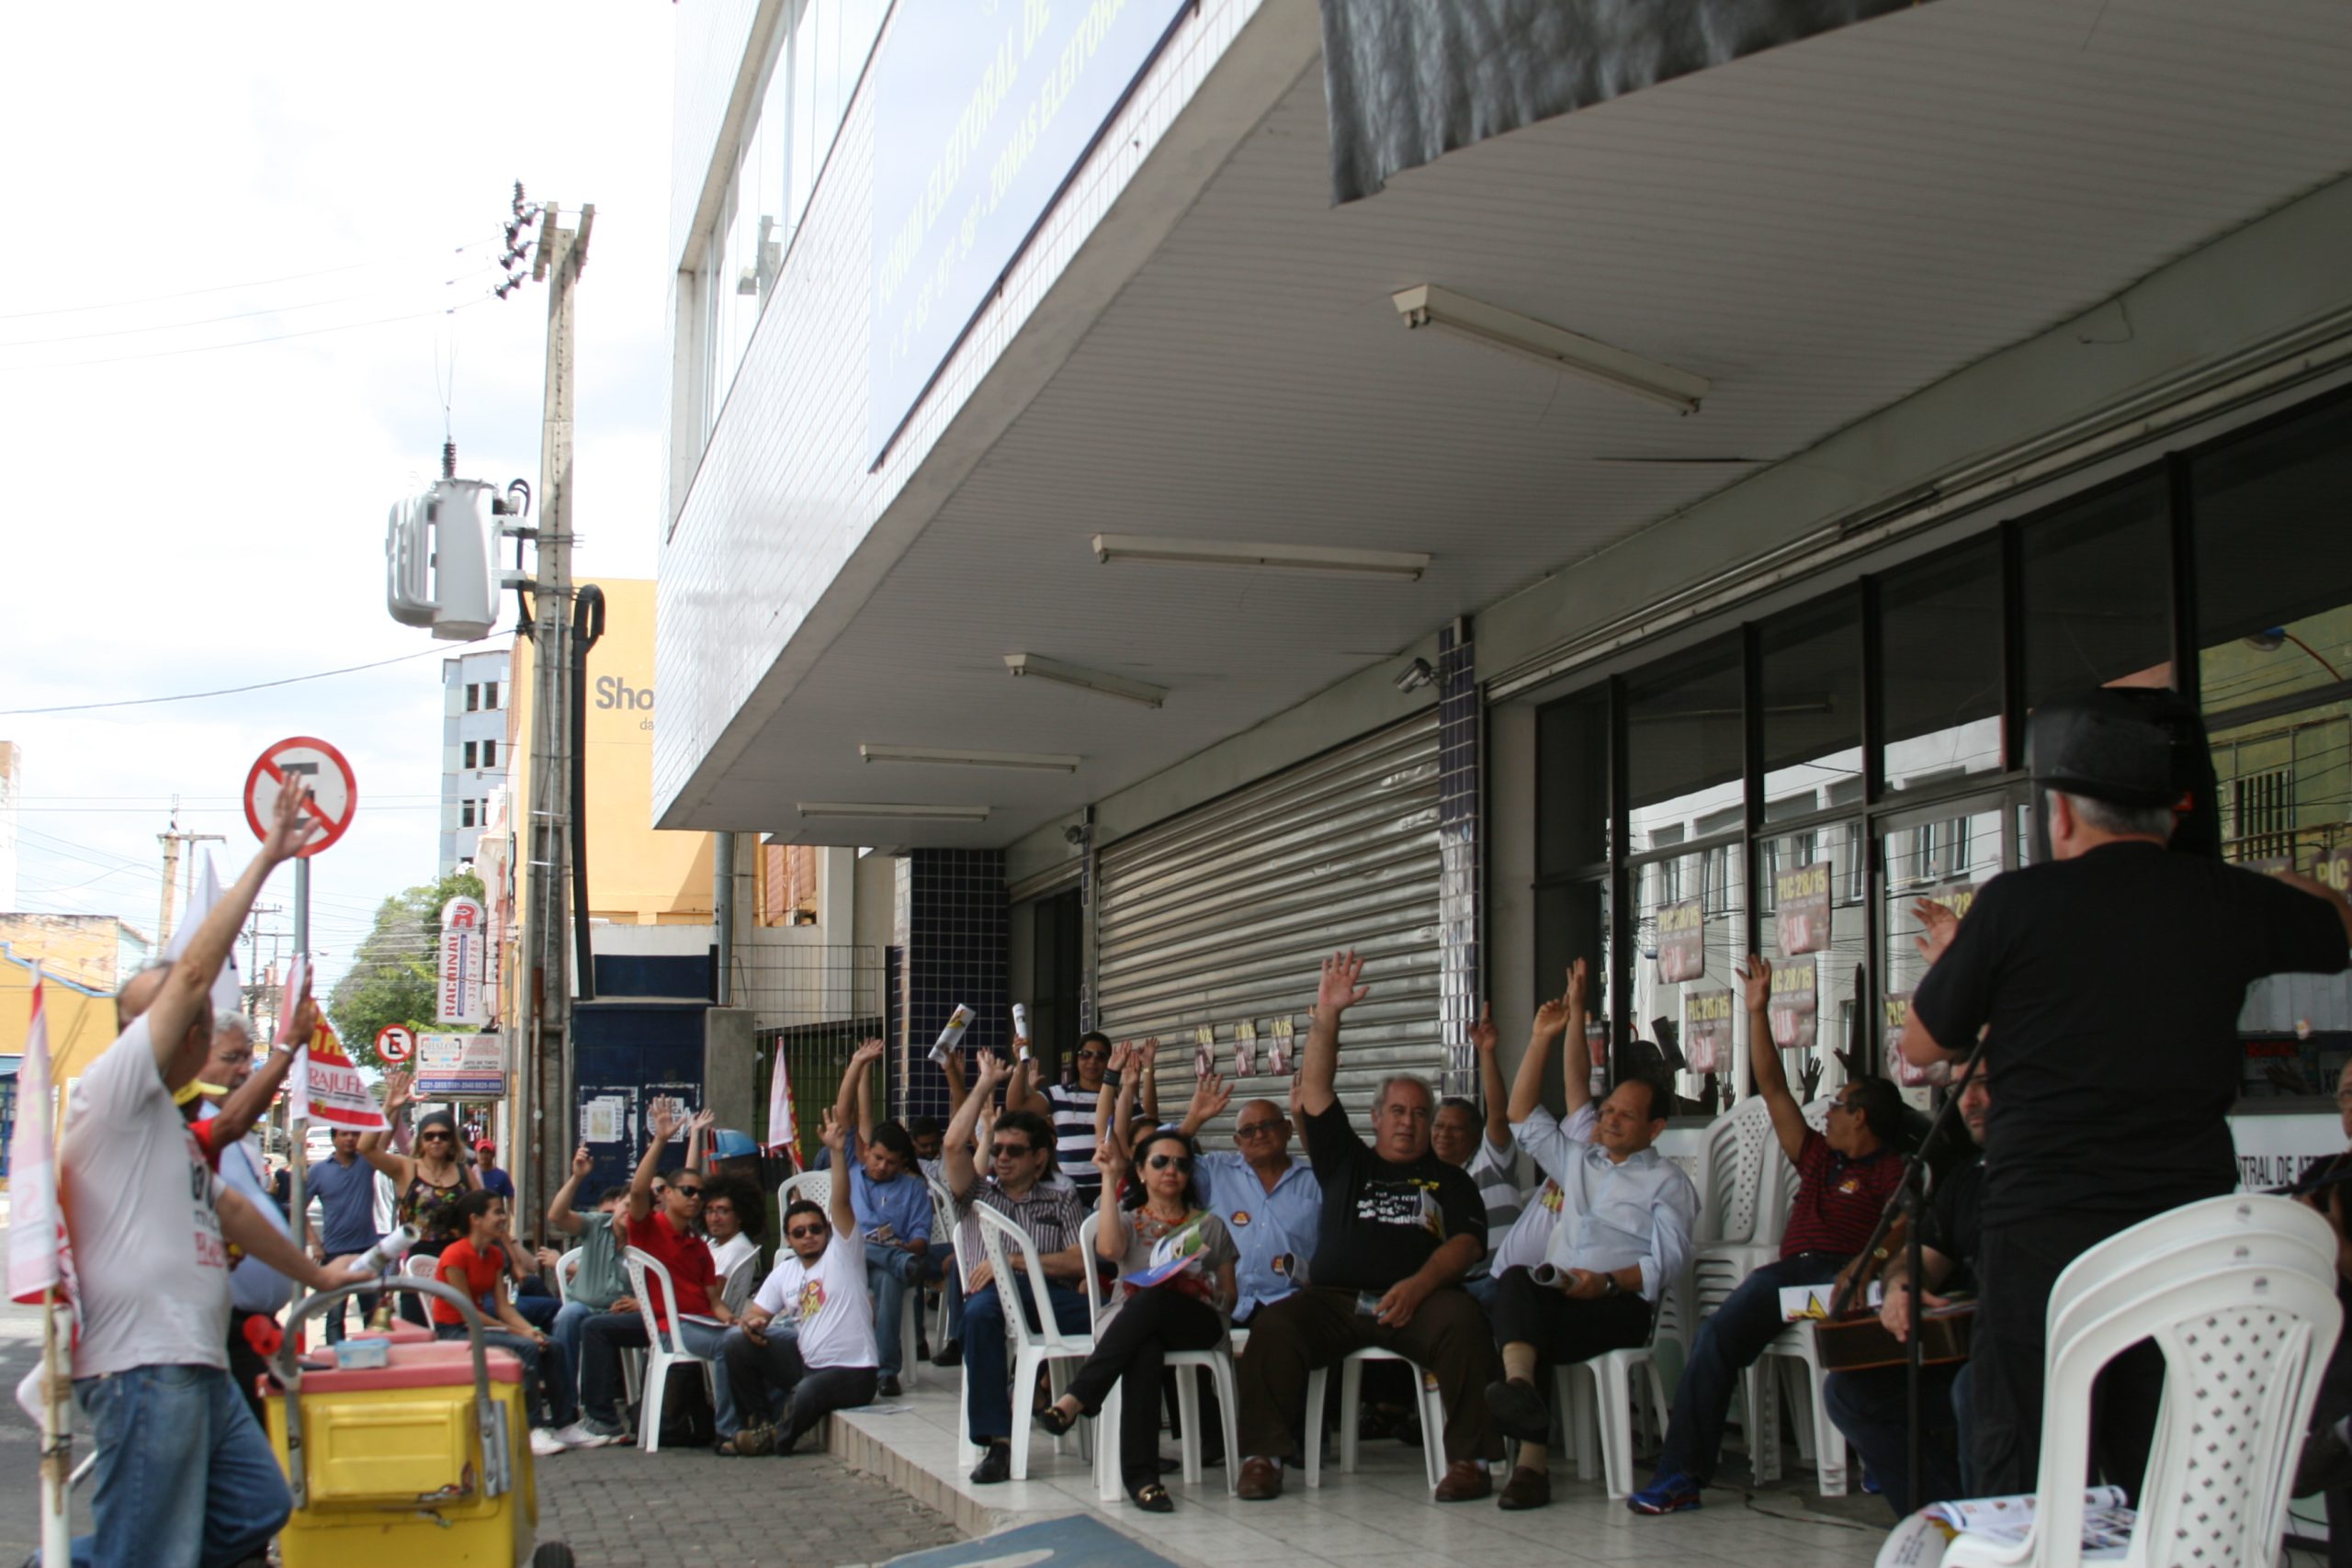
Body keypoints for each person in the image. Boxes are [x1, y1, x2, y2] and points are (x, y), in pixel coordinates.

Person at [1901, 707, 2352, 1498]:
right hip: (2183, 1237)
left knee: (2028, 1473)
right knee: (2165, 1464)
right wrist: (2266, 879)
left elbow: (1921, 1045)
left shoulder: (2015, 904)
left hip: (2042, 1235)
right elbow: (2340, 926)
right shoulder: (2222, 899)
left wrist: (1958, 962)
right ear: (2172, 814)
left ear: (2063, 812)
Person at [61, 783, 373, 1568]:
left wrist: (317, 1276)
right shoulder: (116, 1090)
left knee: (255, 1506)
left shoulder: (172, 1125)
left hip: (192, 1358)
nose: (192, 1022)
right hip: (143, 1363)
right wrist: (268, 857)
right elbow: (195, 974)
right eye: (172, 1011)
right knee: (150, 1546)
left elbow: (230, 1206)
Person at [1632, 952, 1907, 1515]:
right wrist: (1757, 1011)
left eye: (1841, 1106)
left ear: (1866, 1119)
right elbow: (1776, 1089)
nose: (1827, 1111)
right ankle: (1682, 1476)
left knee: (1879, 1336)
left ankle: (1884, 1456)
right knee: (1715, 1341)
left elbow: (1905, 1227)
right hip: (1792, 1279)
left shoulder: (1890, 1169)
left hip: (1849, 1280)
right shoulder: (1815, 1158)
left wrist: (1869, 1261)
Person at [1233, 951, 1498, 1504]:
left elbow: (1468, 1244)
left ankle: (1470, 1461)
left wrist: (1419, 1286)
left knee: (1467, 1321)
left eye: (1419, 1113)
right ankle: (1263, 1457)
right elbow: (1315, 1092)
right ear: (1377, 1118)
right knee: (1275, 1327)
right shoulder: (1347, 1161)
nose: (1408, 1121)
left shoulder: (1450, 1180)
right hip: (1335, 1301)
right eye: (1398, 1111)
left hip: (1420, 1302)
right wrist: (1328, 1017)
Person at [1487, 960, 1697, 1511]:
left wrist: (1602, 1283)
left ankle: (1529, 1461)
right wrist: (1539, 1039)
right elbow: (1520, 1114)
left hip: (1616, 1306)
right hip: (1562, 1297)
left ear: (1655, 1129)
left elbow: (1667, 1264)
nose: (1609, 1121)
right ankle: (1521, 1396)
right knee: (1516, 1283)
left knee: (1530, 1326)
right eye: (1607, 1112)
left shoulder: (1668, 1183)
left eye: (1625, 1117)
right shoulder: (1582, 1161)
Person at [1035, 1126, 1238, 1510]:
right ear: (1142, 1171)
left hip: (1194, 1322)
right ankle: (1144, 1481)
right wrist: (1110, 1176)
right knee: (1145, 1342)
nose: (1171, 1170)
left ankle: (1078, 1397)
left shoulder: (1208, 1225)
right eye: (1160, 1162)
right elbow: (1110, 1248)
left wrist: (1206, 1288)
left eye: (1181, 1164)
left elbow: (1231, 1297)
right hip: (1132, 1325)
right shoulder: (1127, 1219)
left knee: (1152, 1302)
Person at [1822, 1055, 1989, 1519]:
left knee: (1975, 1391)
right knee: (1848, 1392)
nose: (1969, 1101)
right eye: (1959, 1089)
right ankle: (1949, 1524)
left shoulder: (2051, 1174)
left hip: (2035, 1356)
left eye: (1983, 1084)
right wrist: (1900, 1287)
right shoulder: (1967, 1177)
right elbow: (1923, 1259)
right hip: (1966, 1348)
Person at [945, 1051, 1091, 1483]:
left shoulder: (1061, 1196)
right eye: (999, 1149)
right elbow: (954, 1145)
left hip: (1050, 1296)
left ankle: (1117, 1434)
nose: (1002, 1158)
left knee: (1117, 1321)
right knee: (978, 1315)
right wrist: (985, 1084)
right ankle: (999, 1443)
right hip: (993, 1299)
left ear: (1040, 1158)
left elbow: (1078, 1260)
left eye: (1014, 1151)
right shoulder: (977, 1194)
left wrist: (1012, 1260)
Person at [718, 1109, 882, 1456]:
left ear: (827, 1230)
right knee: (735, 1343)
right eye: (799, 1232)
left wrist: (837, 1150)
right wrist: (753, 1325)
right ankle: (759, 1423)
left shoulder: (844, 1253)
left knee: (808, 1393)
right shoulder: (784, 1273)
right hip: (806, 1362)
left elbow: (840, 1200)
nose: (809, 1236)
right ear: (788, 1239)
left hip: (853, 1372)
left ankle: (778, 1440)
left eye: (815, 1229)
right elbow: (756, 1314)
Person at [575, 1104, 740, 1444]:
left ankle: (758, 1419)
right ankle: (602, 1419)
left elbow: (714, 1301)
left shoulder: (700, 1247)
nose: (696, 1199)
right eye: (688, 1192)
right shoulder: (648, 1229)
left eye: (700, 1194)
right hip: (670, 1326)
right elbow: (637, 1192)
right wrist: (661, 1139)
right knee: (592, 1326)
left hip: (700, 1321)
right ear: (664, 1196)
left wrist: (735, 1320)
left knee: (754, 1341)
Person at [193, 1007, 311, 1425]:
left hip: (253, 1331)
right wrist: (322, 1278)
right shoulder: (199, 1127)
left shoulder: (238, 1137)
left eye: (248, 1058)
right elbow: (231, 1211)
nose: (245, 1070)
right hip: (216, 1332)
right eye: (231, 1058)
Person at [433, 1189, 604, 1454]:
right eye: (497, 1212)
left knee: (552, 1345)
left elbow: (503, 1306)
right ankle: (531, 1428)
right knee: (525, 1348)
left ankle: (565, 1424)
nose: (503, 1218)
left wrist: (530, 1330)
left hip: (480, 1328)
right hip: (455, 1331)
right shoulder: (454, 1255)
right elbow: (468, 1311)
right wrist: (519, 1334)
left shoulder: (494, 1255)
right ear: (475, 1219)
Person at [1174, 1075, 1322, 1326]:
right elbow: (1160, 1162)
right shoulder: (1215, 1170)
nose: (1259, 1135)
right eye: (1248, 1130)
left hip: (1290, 1306)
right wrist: (1194, 1119)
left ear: (1287, 1129)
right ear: (1237, 1141)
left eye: (1268, 1125)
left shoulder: (1315, 1180)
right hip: (1224, 1305)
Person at [835, 1037, 933, 1396]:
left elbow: (922, 1238)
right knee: (880, 1256)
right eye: (877, 1158)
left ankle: (885, 1372)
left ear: (902, 1162)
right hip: (848, 1256)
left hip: (891, 1256)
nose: (881, 1166)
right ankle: (896, 1260)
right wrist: (857, 1064)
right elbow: (845, 1117)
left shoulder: (913, 1189)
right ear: (867, 1152)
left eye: (891, 1162)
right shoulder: (851, 1169)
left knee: (892, 1279)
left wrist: (905, 1248)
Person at [359, 1068, 480, 1324]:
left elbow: (487, 1212)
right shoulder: (406, 1168)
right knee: (422, 1336)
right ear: (421, 1141)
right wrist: (389, 1105)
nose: (436, 1141)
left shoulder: (464, 1172)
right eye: (430, 1136)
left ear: (452, 1142)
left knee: (456, 1340)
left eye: (443, 1136)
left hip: (459, 1265)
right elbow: (366, 1147)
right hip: (417, 1268)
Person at [1433, 1003, 1526, 1310]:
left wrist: (1486, 1052)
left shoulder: (1491, 1161)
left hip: (1499, 1282)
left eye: (1455, 1129)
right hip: (1453, 1290)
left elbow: (1498, 1114)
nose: (1444, 1134)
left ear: (1475, 1137)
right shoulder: (1424, 1181)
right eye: (1439, 1126)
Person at [544, 1145, 637, 1394]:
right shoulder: (596, 1224)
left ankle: (609, 1402)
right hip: (583, 1305)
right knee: (568, 1316)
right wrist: (578, 1177)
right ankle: (565, 1400)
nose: (628, 1212)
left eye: (635, 1208)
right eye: (625, 1205)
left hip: (619, 1312)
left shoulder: (645, 1241)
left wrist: (638, 1302)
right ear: (617, 1203)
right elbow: (556, 1215)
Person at [1013, 1028, 1116, 1199]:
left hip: (1109, 1189)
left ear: (1109, 1061)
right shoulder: (1057, 1094)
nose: (1092, 1060)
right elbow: (1017, 1107)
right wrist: (1020, 1063)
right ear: (1076, 1059)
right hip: (1066, 1191)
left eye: (1100, 1056)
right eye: (1085, 1054)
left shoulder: (1119, 1096)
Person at [308, 1126, 381, 1343]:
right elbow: (297, 1208)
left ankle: (374, 1360)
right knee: (335, 1316)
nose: (350, 1138)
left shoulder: (367, 1163)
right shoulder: (319, 1171)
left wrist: (392, 1106)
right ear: (334, 1139)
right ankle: (335, 1361)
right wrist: (315, 1243)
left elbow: (383, 1136)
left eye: (355, 1134)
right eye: (344, 1134)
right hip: (335, 1253)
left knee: (373, 1314)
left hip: (367, 1250)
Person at [701, 1180, 761, 1304]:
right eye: (709, 1211)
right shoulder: (713, 1243)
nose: (714, 1218)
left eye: (722, 1211)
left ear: (739, 1216)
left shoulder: (737, 1247)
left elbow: (715, 1292)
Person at [474, 1137, 515, 1201]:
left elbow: (511, 1199)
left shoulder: (502, 1176)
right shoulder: (472, 1175)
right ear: (476, 1154)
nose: (484, 1155)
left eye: (487, 1152)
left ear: (493, 1154)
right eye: (481, 1152)